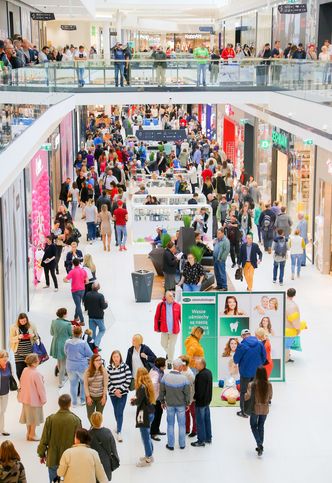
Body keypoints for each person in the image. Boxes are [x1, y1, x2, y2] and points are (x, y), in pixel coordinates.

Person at [38, 394, 81, 483]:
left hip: (53, 458)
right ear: (69, 404)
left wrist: (41, 454)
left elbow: (44, 439)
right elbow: (80, 442)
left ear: (59, 403)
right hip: (70, 459)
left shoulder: (50, 419)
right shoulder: (76, 420)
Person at [233, 329, 266, 418]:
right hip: (257, 372)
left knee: (243, 391)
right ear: (250, 335)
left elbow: (235, 360)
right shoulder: (259, 344)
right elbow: (264, 358)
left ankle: (243, 412)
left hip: (245, 373)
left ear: (243, 336)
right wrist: (258, 365)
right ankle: (255, 410)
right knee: (255, 390)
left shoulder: (242, 346)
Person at [159, 358, 190, 451]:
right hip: (181, 405)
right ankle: (182, 444)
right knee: (181, 425)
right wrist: (187, 403)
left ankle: (171, 445)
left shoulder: (165, 377)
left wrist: (162, 402)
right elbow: (187, 393)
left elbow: (162, 391)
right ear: (180, 367)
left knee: (170, 425)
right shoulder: (184, 378)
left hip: (170, 405)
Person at [244, 366, 273, 456]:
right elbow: (270, 397)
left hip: (255, 409)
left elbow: (247, 396)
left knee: (253, 426)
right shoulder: (269, 385)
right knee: (261, 426)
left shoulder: (252, 385)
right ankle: (260, 444)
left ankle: (259, 443)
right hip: (265, 409)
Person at [130, 367, 156, 467]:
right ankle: (150, 455)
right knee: (148, 435)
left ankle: (148, 458)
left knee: (145, 437)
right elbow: (144, 399)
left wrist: (133, 401)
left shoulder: (141, 387)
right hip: (151, 412)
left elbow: (139, 401)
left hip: (144, 414)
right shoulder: (149, 384)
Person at [18, 353, 47, 441]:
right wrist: (44, 399)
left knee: (29, 417)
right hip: (34, 399)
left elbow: (21, 382)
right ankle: (32, 434)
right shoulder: (36, 374)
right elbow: (40, 388)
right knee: (34, 417)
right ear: (34, 363)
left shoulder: (25, 370)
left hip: (25, 398)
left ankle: (28, 433)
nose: (39, 361)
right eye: (37, 360)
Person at [64, 326, 93, 407]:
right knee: (83, 383)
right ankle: (83, 400)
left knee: (73, 384)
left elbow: (65, 352)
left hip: (70, 366)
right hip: (82, 367)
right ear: (81, 334)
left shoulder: (67, 342)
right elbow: (91, 354)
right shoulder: (83, 343)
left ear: (73, 333)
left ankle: (74, 403)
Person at [107, 350, 132, 442]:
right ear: (112, 358)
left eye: (117, 357)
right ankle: (118, 425)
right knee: (115, 410)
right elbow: (107, 381)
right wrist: (114, 391)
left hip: (123, 394)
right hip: (112, 394)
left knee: (119, 411)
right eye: (114, 357)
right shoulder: (109, 368)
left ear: (120, 357)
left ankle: (119, 432)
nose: (116, 358)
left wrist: (120, 390)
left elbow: (128, 379)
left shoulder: (125, 367)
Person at [89, 411, 119, 480]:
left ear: (91, 421)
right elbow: (113, 448)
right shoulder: (107, 432)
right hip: (105, 463)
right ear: (101, 420)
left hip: (93, 464)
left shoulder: (88, 434)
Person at [154, 291, 181, 365]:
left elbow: (181, 317)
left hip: (174, 331)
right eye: (170, 296)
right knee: (163, 344)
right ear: (165, 297)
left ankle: (170, 362)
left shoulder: (178, 306)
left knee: (172, 346)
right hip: (164, 330)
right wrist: (156, 328)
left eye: (172, 296)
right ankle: (170, 355)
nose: (172, 297)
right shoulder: (160, 305)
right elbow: (156, 317)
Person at [191, 358, 212, 447]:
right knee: (207, 420)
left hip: (200, 402)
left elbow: (199, 391)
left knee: (200, 421)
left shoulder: (200, 376)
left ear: (202, 365)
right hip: (207, 401)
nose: (195, 366)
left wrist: (195, 398)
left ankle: (201, 440)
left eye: (196, 364)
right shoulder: (209, 372)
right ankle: (208, 437)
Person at [10, 313, 37, 380]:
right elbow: (11, 339)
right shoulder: (13, 327)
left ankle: (28, 386)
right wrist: (18, 337)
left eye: (25, 321)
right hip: (18, 353)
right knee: (19, 372)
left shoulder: (32, 325)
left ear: (27, 320)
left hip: (30, 353)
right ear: (18, 320)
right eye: (21, 321)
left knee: (30, 372)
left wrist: (33, 336)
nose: (23, 322)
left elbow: (37, 337)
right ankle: (21, 387)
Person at [50, 308, 73, 388]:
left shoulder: (53, 322)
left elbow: (52, 333)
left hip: (55, 343)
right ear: (64, 314)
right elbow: (71, 334)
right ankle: (61, 381)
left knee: (59, 362)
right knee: (63, 363)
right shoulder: (67, 324)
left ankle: (62, 376)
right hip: (64, 344)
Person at [64, 258, 89, 324]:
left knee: (78, 305)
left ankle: (82, 320)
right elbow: (87, 281)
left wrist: (68, 280)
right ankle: (76, 317)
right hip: (82, 290)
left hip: (75, 290)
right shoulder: (83, 271)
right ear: (79, 263)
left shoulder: (72, 271)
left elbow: (66, 280)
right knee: (78, 304)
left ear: (73, 264)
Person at [84, 354, 108, 421]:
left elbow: (105, 385)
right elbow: (85, 385)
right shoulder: (87, 371)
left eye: (100, 359)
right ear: (93, 362)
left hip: (101, 397)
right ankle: (93, 427)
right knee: (90, 415)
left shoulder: (103, 370)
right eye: (97, 360)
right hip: (90, 396)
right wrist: (88, 397)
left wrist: (104, 397)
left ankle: (96, 428)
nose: (99, 361)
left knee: (98, 416)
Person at [149, 358, 166, 442]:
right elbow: (153, 384)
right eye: (164, 365)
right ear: (161, 366)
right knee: (155, 415)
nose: (165, 366)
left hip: (158, 398)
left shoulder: (159, 371)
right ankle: (153, 433)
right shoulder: (155, 373)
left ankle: (157, 430)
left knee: (159, 413)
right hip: (155, 398)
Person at [179, 355, 196, 438]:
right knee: (186, 414)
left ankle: (195, 430)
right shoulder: (181, 371)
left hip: (190, 399)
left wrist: (189, 401)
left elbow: (191, 390)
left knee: (193, 414)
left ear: (184, 363)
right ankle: (186, 429)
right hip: (183, 398)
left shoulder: (190, 375)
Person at [0, 350, 14, 437]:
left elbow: (12, 375)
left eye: (6, 356)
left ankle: (2, 429)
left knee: (2, 411)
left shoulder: (8, 364)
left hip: (5, 392)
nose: (5, 358)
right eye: (3, 357)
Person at [285, 288, 301, 363]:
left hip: (281, 327)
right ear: (294, 295)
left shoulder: (282, 301)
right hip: (289, 329)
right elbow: (294, 320)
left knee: (284, 344)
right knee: (286, 346)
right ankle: (286, 358)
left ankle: (286, 356)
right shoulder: (293, 306)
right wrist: (298, 329)